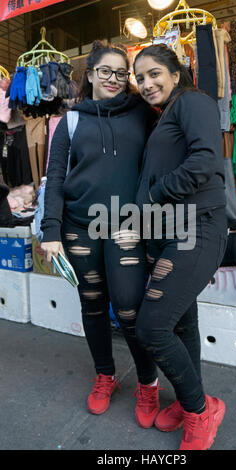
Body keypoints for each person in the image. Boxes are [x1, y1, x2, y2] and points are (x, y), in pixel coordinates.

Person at [40, 41, 160, 426]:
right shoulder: (71, 120)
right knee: (92, 304)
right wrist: (50, 230)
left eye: (121, 73)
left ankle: (148, 382)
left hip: (127, 226)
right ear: (89, 74)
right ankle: (105, 375)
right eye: (105, 71)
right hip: (79, 227)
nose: (114, 79)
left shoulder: (143, 112)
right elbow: (55, 176)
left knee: (128, 307)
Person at [133, 44, 228, 450]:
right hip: (174, 233)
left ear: (176, 73)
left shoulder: (193, 102)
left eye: (154, 73)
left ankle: (201, 410)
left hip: (200, 227)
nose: (146, 83)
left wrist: (153, 194)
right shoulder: (165, 117)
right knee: (181, 323)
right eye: (140, 78)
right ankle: (196, 402)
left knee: (152, 327)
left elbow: (206, 160)